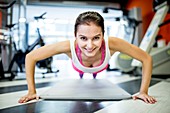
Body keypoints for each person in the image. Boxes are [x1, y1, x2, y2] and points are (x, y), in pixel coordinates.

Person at [18, 11, 157, 104]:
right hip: (78, 64)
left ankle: (94, 73)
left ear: (103, 34)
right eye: (83, 38)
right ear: (75, 35)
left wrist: (143, 91)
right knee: (81, 72)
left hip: (100, 66)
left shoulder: (113, 43)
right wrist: (31, 91)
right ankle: (82, 72)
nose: (89, 45)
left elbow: (146, 59)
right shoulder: (67, 46)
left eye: (96, 38)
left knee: (95, 72)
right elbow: (30, 57)